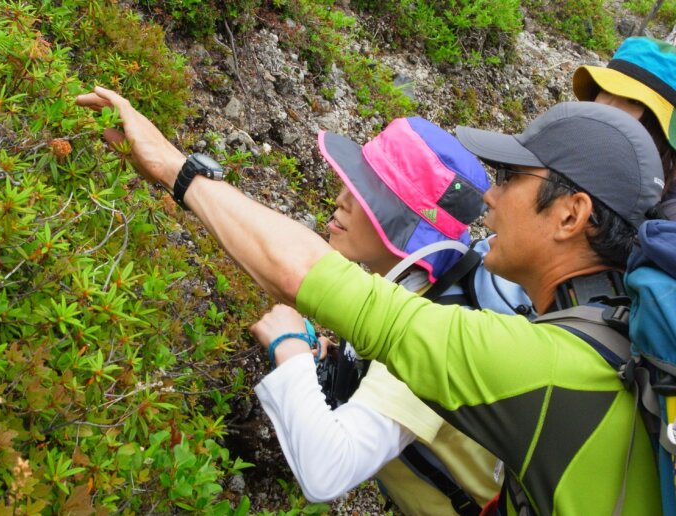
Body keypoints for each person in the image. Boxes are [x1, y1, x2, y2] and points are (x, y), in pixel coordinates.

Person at [77, 88, 663, 514]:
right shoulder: (608, 326)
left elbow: (302, 273)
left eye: (511, 177)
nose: (490, 195)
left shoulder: (539, 359)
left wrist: (173, 168)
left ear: (570, 214)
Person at [254, 117, 531, 515]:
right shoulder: (417, 290)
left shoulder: (436, 331)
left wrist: (290, 349)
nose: (343, 198)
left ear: (409, 226)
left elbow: (326, 472)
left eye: (369, 192)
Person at [573, 36, 676, 219]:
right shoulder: (564, 144)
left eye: (634, 101)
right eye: (606, 90)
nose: (608, 106)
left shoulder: (667, 215)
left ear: (660, 127)